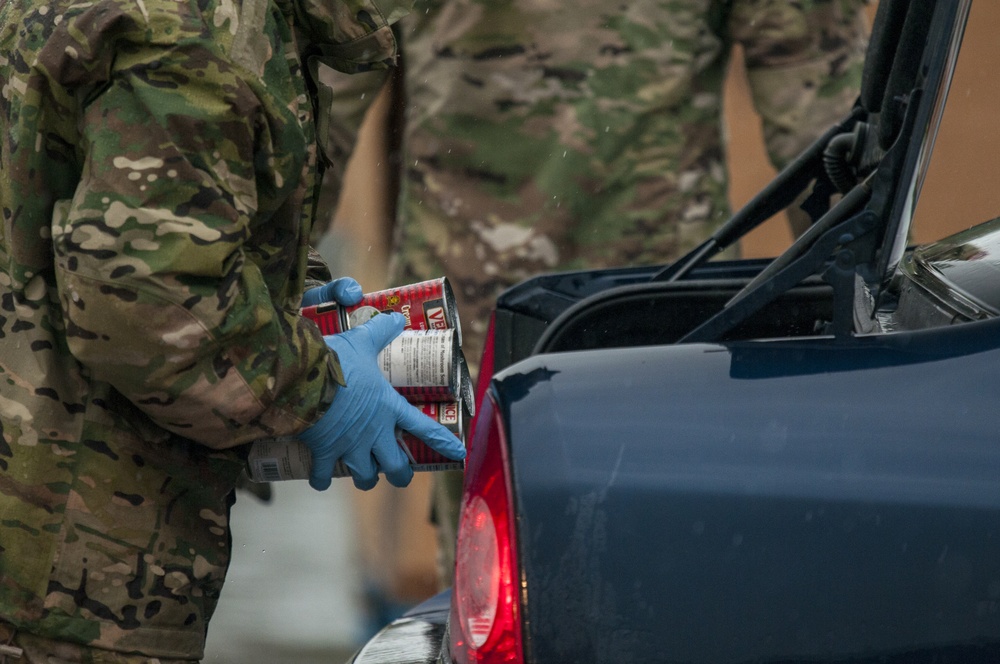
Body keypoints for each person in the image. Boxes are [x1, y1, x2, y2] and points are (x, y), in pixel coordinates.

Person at [316, 0, 871, 596]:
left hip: (524, 329)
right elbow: (822, 117)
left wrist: (258, 344)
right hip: (648, 326)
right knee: (648, 597)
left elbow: (317, 104)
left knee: (504, 607)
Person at [0, 0, 465, 662]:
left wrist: (280, 302)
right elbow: (140, 306)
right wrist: (315, 391)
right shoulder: (200, 35)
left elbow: (113, 208)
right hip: (60, 568)